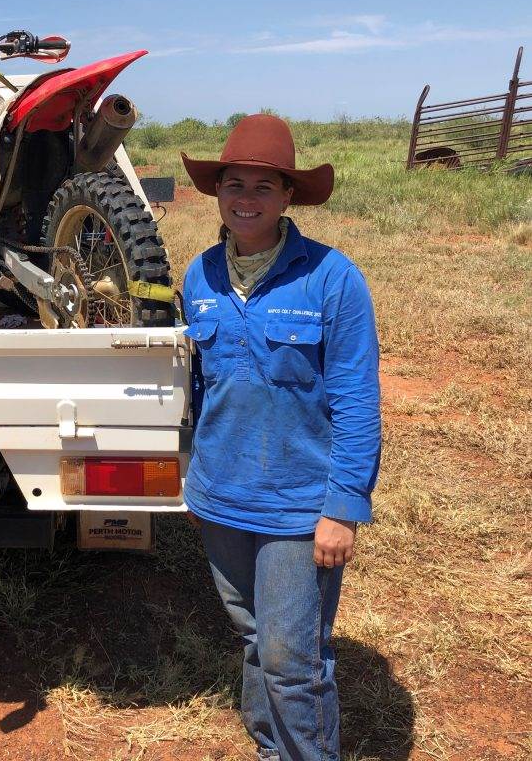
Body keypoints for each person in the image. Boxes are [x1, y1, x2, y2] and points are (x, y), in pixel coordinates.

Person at [179, 114, 381, 761]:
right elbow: (198, 391)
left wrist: (342, 507)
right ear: (216, 192)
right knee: (255, 641)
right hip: (221, 498)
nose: (244, 198)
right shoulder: (199, 277)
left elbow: (355, 399)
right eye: (233, 183)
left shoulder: (331, 278)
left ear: (289, 196)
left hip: (299, 504)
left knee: (292, 660)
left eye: (262, 187)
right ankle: (272, 750)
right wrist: (193, 477)